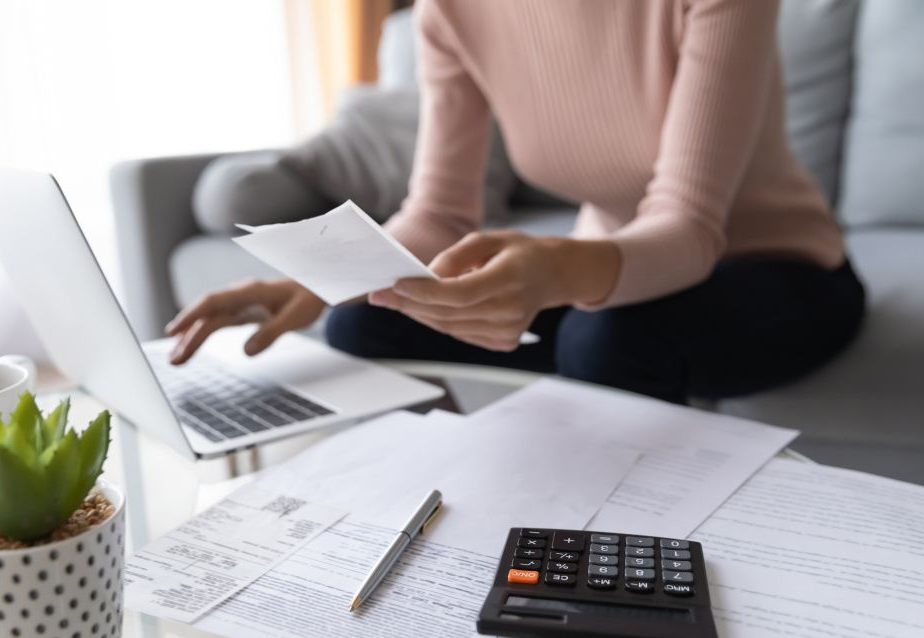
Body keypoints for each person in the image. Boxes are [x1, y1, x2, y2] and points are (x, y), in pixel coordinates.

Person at [166, 0, 865, 405]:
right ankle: (454, 511)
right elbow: (438, 215)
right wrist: (313, 283)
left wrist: (555, 269)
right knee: (367, 325)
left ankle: (614, 569)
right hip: (611, 278)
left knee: (608, 337)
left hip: (780, 269)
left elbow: (688, 227)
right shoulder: (452, 12)